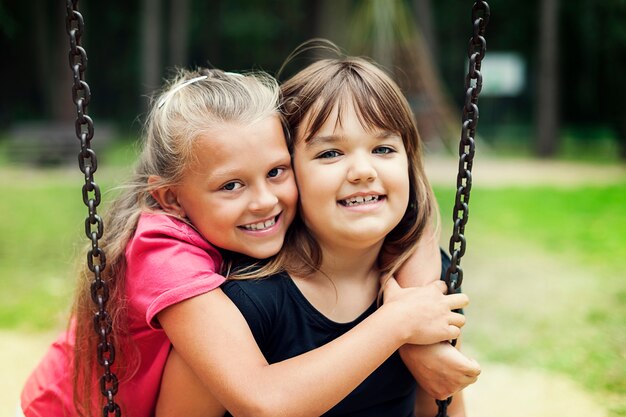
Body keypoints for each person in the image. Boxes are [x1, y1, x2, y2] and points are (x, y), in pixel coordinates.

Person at [20, 67, 473, 417]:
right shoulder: (179, 265)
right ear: (171, 198)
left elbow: (407, 219)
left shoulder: (411, 263)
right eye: (330, 153)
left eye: (275, 172)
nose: (264, 201)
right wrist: (398, 325)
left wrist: (420, 337)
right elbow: (262, 400)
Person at [155, 52, 478, 416]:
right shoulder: (244, 303)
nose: (362, 171)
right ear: (288, 170)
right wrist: (396, 325)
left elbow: (442, 405)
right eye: (330, 153)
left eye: (383, 149)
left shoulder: (427, 284)